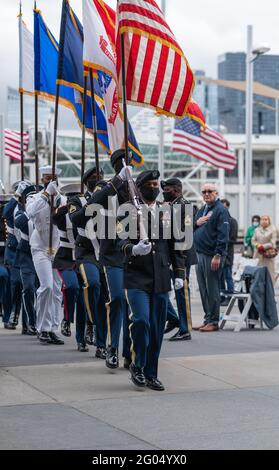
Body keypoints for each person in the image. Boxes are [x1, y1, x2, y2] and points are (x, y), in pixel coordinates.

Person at [117, 170, 185, 391]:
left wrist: (179, 273)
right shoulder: (128, 211)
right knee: (141, 321)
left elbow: (176, 245)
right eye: (150, 184)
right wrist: (133, 248)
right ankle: (136, 364)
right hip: (136, 275)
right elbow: (118, 241)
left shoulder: (168, 212)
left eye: (157, 184)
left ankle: (151, 373)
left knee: (156, 329)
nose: (155, 188)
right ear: (140, 187)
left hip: (161, 277)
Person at [26, 166, 64, 345]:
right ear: (42, 180)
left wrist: (56, 200)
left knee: (57, 290)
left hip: (57, 248)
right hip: (40, 248)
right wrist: (46, 195)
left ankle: (52, 328)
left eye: (53, 178)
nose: (51, 181)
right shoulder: (34, 197)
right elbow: (31, 212)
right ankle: (42, 327)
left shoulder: (62, 198)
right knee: (47, 286)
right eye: (48, 178)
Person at [52, 183, 88, 352]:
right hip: (66, 256)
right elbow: (54, 219)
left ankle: (81, 340)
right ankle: (66, 318)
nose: (75, 199)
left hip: (83, 255)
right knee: (71, 286)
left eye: (77, 195)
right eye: (72, 196)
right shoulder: (62, 211)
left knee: (83, 301)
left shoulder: (86, 210)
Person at [161, 177, 197, 341]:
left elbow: (185, 235)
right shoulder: (171, 206)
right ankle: (174, 318)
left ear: (176, 190)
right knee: (160, 288)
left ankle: (185, 329)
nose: (164, 192)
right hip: (169, 255)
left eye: (167, 189)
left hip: (180, 256)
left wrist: (179, 263)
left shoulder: (185, 206)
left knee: (181, 291)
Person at [193, 183, 229, 332]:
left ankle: (214, 322)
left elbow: (223, 234)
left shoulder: (221, 210)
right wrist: (196, 222)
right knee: (203, 289)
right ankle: (207, 319)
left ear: (216, 193)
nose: (206, 194)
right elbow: (192, 226)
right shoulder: (203, 210)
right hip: (199, 254)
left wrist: (218, 254)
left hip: (211, 255)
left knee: (212, 289)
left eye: (210, 191)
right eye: (204, 192)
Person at [14, 184, 40, 335]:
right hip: (26, 255)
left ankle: (40, 322)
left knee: (42, 289)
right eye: (30, 198)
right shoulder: (21, 212)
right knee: (29, 288)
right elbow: (19, 223)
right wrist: (30, 210)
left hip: (43, 253)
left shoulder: (43, 211)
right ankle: (31, 321)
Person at [220, 199, 238, 304]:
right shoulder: (219, 220)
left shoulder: (232, 221)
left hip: (227, 254)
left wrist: (221, 242)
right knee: (220, 277)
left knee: (228, 276)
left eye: (224, 207)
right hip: (219, 253)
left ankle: (230, 297)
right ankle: (222, 297)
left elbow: (233, 239)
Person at [252, 215, 277, 285]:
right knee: (258, 272)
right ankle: (259, 288)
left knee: (269, 273)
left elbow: (273, 242)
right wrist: (257, 245)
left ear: (269, 221)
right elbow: (253, 240)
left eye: (266, 219)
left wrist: (263, 246)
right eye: (262, 219)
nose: (264, 221)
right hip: (258, 255)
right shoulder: (256, 230)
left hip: (268, 255)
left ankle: (270, 289)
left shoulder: (273, 230)